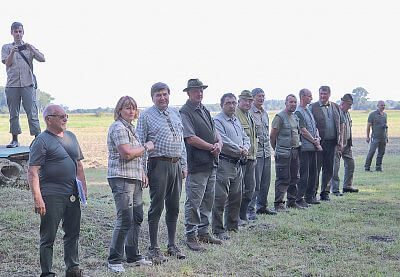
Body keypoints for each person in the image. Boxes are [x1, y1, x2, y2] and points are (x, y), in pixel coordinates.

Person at [27, 105, 87, 277]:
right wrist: (38, 198)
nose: (65, 119)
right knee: (48, 237)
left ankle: (73, 269)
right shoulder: (41, 140)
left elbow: (79, 165)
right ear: (48, 119)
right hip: (51, 195)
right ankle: (47, 273)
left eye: (66, 116)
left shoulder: (71, 137)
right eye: (60, 116)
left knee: (73, 233)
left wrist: (82, 188)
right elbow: (32, 171)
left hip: (72, 194)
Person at [136, 82, 187, 263]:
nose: (162, 98)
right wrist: (142, 170)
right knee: (157, 206)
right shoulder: (146, 116)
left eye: (165, 94)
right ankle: (153, 247)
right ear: (152, 97)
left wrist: (184, 164)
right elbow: (140, 143)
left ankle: (172, 245)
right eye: (158, 95)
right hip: (158, 164)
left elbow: (181, 140)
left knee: (174, 206)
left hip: (175, 164)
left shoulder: (175, 112)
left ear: (169, 95)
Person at [106, 96, 154, 273]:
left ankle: (133, 256)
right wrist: (147, 146)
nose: (131, 111)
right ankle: (114, 260)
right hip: (121, 178)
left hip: (133, 177)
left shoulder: (131, 129)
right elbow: (126, 153)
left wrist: (142, 172)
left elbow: (135, 156)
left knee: (137, 217)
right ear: (119, 110)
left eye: (133, 108)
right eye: (127, 108)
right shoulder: (118, 127)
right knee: (125, 218)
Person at [179, 79, 223, 252]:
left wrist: (219, 143)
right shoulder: (185, 112)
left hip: (211, 163)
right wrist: (212, 147)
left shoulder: (203, 109)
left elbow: (214, 130)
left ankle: (204, 232)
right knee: (194, 202)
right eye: (196, 90)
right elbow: (190, 138)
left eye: (201, 90)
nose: (199, 93)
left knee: (207, 200)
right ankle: (191, 236)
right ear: (188, 93)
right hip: (197, 164)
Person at [212, 93, 250, 240]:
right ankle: (217, 229)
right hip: (224, 163)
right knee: (220, 198)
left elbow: (245, 137)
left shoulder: (236, 120)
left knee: (236, 196)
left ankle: (232, 226)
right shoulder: (217, 121)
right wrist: (239, 149)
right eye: (228, 103)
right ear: (222, 105)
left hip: (237, 163)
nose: (232, 105)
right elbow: (224, 141)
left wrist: (245, 147)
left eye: (234, 102)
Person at [2, 22, 45, 148]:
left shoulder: (28, 47)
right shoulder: (6, 47)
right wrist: (12, 52)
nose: (18, 34)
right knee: (13, 113)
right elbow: (7, 63)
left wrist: (31, 49)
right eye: (16, 31)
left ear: (23, 32)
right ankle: (15, 139)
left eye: (20, 31)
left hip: (28, 84)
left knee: (32, 112)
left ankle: (38, 139)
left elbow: (42, 59)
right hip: (12, 85)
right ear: (11, 33)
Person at [310, 86, 344, 201]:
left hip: (332, 142)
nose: (322, 96)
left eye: (325, 94)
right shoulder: (313, 107)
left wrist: (341, 140)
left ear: (329, 94)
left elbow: (341, 123)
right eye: (321, 93)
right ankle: (312, 194)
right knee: (316, 169)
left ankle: (325, 193)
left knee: (329, 169)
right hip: (319, 143)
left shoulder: (335, 106)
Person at [270, 94, 302, 211]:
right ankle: (278, 204)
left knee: (294, 178)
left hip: (294, 152)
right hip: (283, 153)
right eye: (291, 102)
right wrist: (277, 149)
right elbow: (273, 136)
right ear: (286, 103)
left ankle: (291, 201)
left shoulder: (295, 117)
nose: (293, 104)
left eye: (295, 102)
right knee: (283, 178)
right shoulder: (280, 117)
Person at [248, 88, 276, 216]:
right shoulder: (249, 113)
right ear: (253, 98)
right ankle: (250, 210)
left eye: (263, 96)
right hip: (256, 153)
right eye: (259, 96)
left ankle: (262, 206)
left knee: (266, 181)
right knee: (255, 183)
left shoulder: (265, 113)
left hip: (266, 152)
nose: (261, 98)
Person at [294, 89, 322, 206]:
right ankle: (300, 198)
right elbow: (303, 131)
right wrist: (315, 142)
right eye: (309, 96)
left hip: (313, 147)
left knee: (313, 173)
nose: (311, 98)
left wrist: (318, 137)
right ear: (303, 97)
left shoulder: (308, 111)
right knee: (304, 174)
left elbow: (314, 127)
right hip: (305, 148)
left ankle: (310, 196)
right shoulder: (298, 112)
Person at [235, 90, 257, 223]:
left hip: (251, 158)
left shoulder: (249, 115)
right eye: (245, 100)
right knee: (238, 190)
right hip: (241, 158)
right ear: (239, 100)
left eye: (250, 101)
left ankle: (243, 215)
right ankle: (235, 217)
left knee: (250, 189)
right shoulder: (236, 114)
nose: (248, 103)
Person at [330, 94, 359, 195]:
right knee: (335, 167)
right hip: (337, 145)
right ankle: (335, 189)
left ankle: (347, 186)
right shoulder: (337, 112)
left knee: (350, 164)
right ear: (343, 103)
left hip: (347, 144)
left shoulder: (347, 113)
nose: (350, 106)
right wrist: (339, 143)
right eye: (349, 104)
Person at [364, 101, 388, 172]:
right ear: (377, 106)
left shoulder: (385, 115)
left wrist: (387, 136)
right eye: (381, 105)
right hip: (375, 137)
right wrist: (367, 137)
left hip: (383, 137)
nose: (383, 107)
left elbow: (386, 127)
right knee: (371, 152)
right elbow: (368, 126)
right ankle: (367, 167)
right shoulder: (372, 114)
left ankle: (378, 167)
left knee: (381, 153)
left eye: (384, 105)